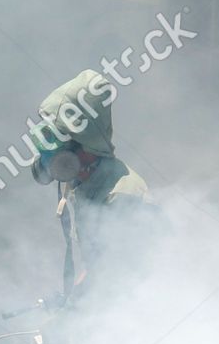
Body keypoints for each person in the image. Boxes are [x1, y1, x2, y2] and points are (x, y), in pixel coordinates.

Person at [28, 69, 154, 306]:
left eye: (61, 142)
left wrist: (76, 317)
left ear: (86, 147)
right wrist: (71, 299)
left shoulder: (120, 197)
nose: (51, 155)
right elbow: (99, 266)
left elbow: (125, 281)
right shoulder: (84, 182)